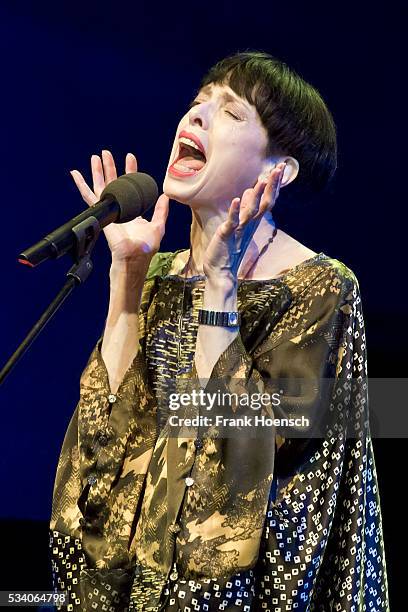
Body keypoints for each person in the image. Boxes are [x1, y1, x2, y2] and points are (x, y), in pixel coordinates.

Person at [49, 51, 389, 611]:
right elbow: (105, 432)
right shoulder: (156, 269)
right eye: (197, 104)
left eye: (230, 113)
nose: (197, 118)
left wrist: (222, 283)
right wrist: (128, 277)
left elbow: (244, 467)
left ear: (275, 171)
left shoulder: (319, 287)